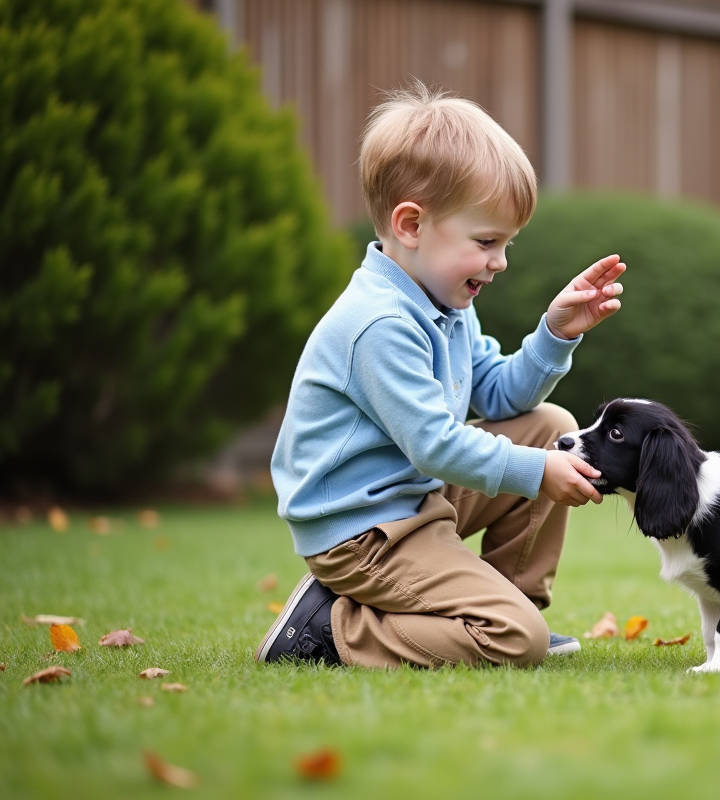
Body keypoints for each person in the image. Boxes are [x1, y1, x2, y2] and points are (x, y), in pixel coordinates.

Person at [255, 83, 625, 669]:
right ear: (411, 224)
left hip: (412, 499)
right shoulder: (378, 322)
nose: (500, 261)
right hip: (364, 534)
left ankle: (511, 601)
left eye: (506, 244)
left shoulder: (445, 304)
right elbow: (434, 446)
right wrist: (537, 471)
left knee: (549, 425)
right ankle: (328, 628)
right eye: (486, 241)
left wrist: (556, 334)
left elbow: (501, 395)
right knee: (513, 641)